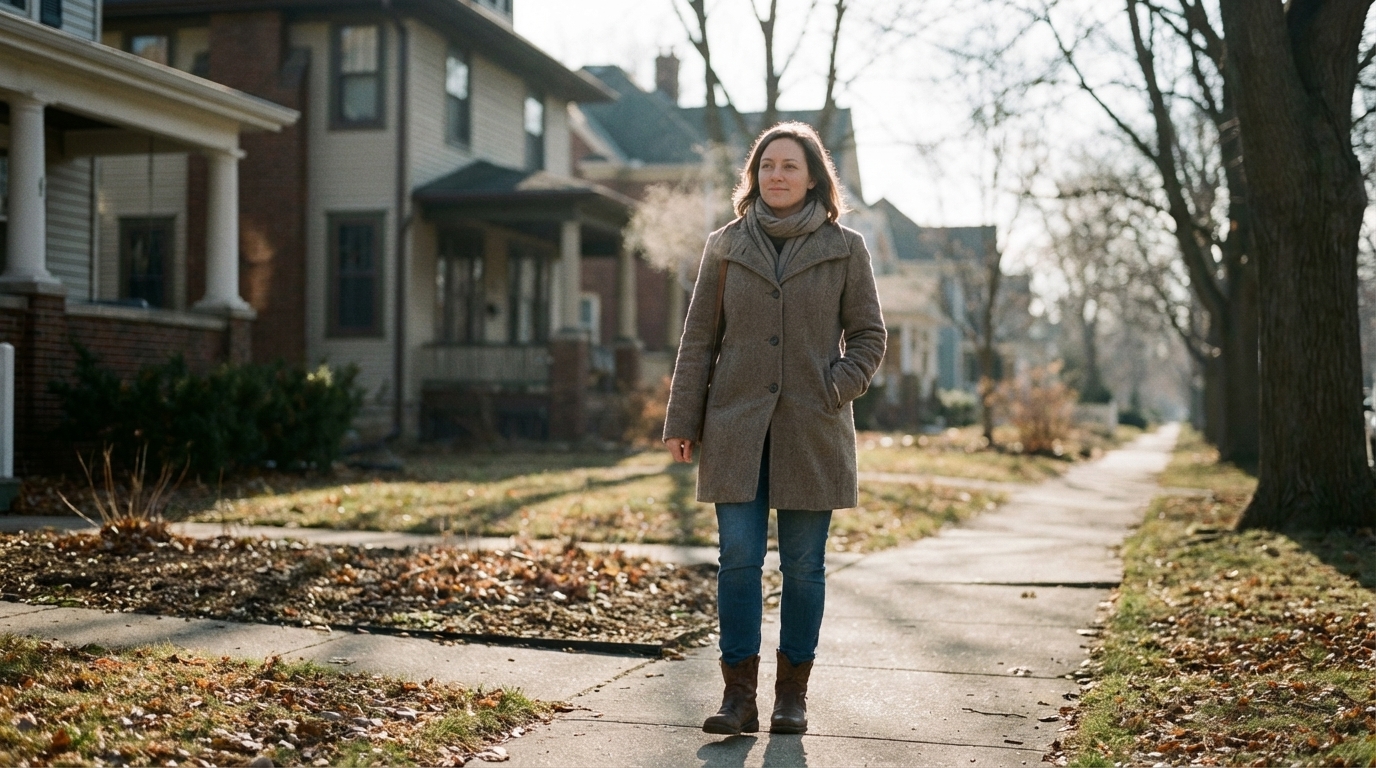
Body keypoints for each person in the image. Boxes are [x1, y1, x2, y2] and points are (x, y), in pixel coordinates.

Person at [662, 121, 886, 736]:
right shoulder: (725, 245)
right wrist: (683, 419)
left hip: (812, 431)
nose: (776, 175)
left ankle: (792, 698)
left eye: (789, 166)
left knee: (804, 565)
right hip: (734, 426)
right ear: (753, 176)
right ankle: (738, 698)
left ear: (813, 178)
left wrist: (833, 386)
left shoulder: (846, 247)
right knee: (737, 560)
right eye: (766, 166)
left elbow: (870, 336)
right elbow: (699, 339)